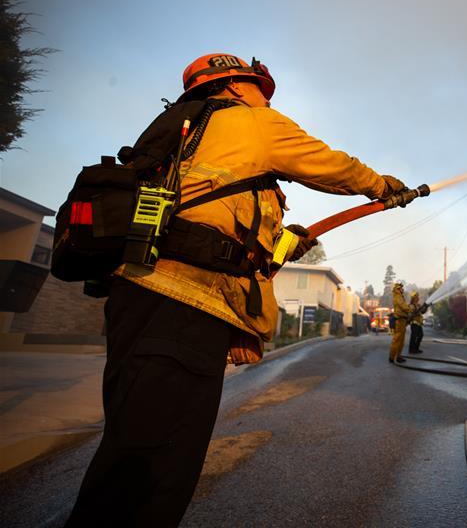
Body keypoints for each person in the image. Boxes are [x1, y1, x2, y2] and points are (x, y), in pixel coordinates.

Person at [66, 53, 407, 527]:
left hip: (142, 295)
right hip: (184, 302)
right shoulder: (248, 120)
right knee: (155, 464)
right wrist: (381, 186)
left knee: (134, 439)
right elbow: (329, 164)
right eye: (258, 88)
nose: (266, 99)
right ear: (232, 84)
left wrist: (285, 240)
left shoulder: (186, 134)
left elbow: (214, 223)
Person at [389, 282, 412, 364]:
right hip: (399, 320)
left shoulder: (400, 296)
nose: (403, 289)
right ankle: (392, 357)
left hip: (402, 320)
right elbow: (403, 306)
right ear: (398, 289)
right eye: (401, 288)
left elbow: (404, 306)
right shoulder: (398, 296)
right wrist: (410, 309)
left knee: (401, 340)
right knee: (397, 339)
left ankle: (398, 356)